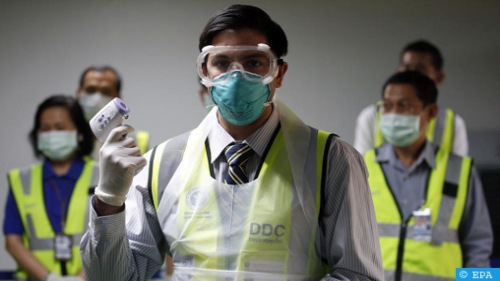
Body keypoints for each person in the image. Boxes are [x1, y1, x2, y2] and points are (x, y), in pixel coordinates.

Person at [80, 4, 383, 281]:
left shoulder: (330, 160)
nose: (237, 77)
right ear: (204, 73)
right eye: (222, 63)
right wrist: (109, 201)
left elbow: (359, 275)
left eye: (254, 62)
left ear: (279, 73)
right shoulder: (164, 163)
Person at [364, 71, 492, 281]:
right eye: (387, 106)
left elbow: (479, 246)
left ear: (430, 111)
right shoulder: (361, 167)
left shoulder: (460, 171)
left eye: (404, 105)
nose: (393, 114)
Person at [4, 95, 99, 281]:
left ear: (79, 132)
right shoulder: (20, 180)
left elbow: (116, 238)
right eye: (45, 129)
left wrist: (81, 278)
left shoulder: (104, 175)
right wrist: (48, 278)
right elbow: (13, 241)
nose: (52, 133)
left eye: (60, 127)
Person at [354, 40, 469, 156]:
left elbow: (459, 169)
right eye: (407, 69)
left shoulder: (453, 123)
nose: (412, 76)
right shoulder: (371, 116)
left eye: (420, 71)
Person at [75, 66, 150, 158]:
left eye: (106, 91)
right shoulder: (67, 139)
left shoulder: (136, 142)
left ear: (118, 97)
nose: (97, 97)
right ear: (78, 93)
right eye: (91, 90)